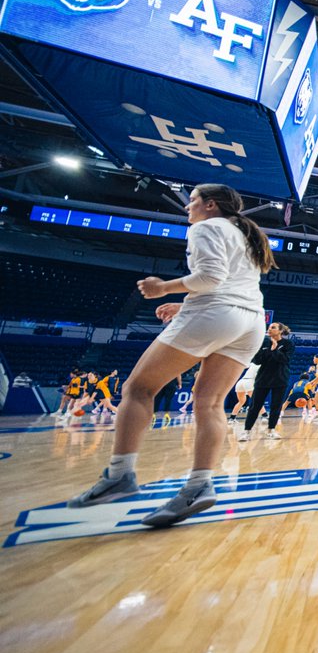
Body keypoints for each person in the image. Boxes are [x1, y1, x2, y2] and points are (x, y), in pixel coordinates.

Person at [66, 183, 274, 527]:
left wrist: (163, 288)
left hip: (217, 314)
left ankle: (120, 475)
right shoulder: (243, 232)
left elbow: (210, 277)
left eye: (192, 201)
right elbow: (229, 284)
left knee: (137, 389)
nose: (187, 208)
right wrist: (186, 303)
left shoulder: (206, 227)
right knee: (209, 403)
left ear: (210, 205)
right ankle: (199, 485)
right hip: (251, 322)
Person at [241, 322, 294, 440]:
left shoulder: (288, 344)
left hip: (280, 379)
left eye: (273, 327)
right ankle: (247, 431)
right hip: (263, 379)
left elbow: (285, 360)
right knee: (254, 406)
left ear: (280, 331)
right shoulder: (263, 342)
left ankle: (271, 430)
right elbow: (257, 361)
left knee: (276, 406)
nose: (269, 329)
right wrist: (267, 350)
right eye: (269, 327)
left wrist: (275, 350)